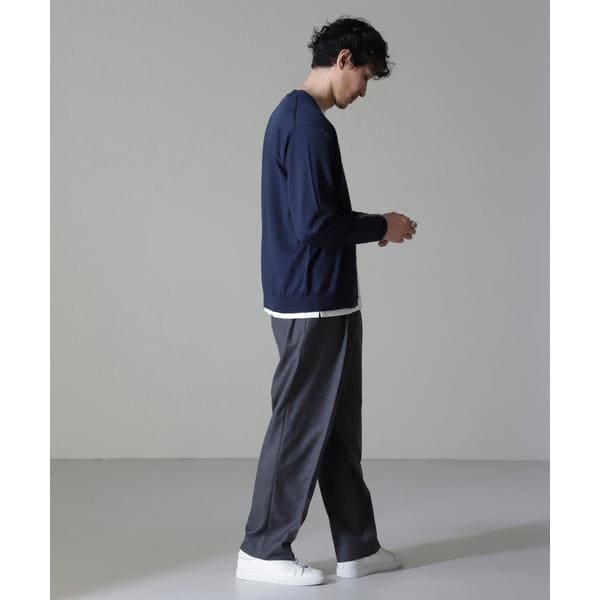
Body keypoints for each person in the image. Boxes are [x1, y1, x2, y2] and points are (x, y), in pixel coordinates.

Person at [235, 16, 417, 586]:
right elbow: (315, 223)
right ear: (343, 59)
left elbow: (312, 217)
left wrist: (370, 227)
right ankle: (263, 549)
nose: (363, 90)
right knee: (298, 426)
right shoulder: (307, 125)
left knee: (336, 429)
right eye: (364, 75)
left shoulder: (295, 118)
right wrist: (381, 225)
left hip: (322, 297)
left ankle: (357, 547)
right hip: (311, 300)